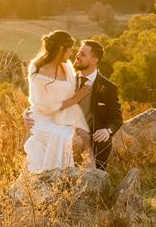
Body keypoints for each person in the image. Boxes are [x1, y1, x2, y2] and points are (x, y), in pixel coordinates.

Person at [23, 30, 93, 172]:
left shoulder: (67, 67)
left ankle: (94, 178)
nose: (71, 54)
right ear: (61, 49)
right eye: (69, 50)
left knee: (86, 137)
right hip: (43, 119)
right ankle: (62, 177)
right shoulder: (37, 70)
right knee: (75, 142)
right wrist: (76, 98)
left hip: (63, 116)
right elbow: (42, 105)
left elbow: (70, 92)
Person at [70, 38, 122, 171]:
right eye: (78, 52)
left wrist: (107, 130)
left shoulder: (108, 87)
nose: (77, 56)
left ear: (94, 61)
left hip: (93, 139)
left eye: (83, 54)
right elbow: (48, 103)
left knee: (92, 176)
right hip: (67, 133)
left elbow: (117, 118)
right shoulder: (67, 81)